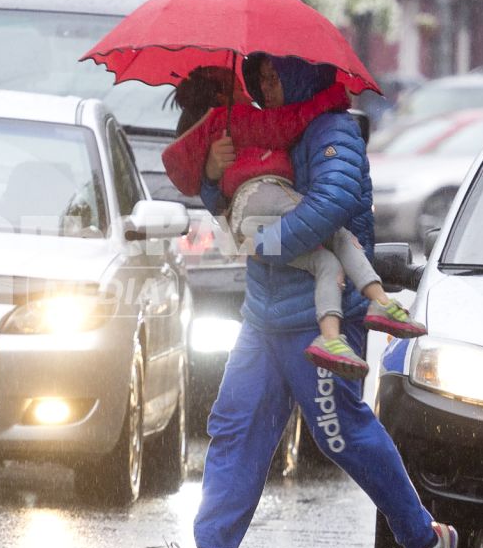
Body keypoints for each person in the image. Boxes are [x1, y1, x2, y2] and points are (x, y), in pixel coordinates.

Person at [141, 53, 457, 548]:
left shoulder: (333, 129)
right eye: (259, 76)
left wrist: (269, 244)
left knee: (342, 436)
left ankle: (426, 541)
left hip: (321, 316)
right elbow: (242, 201)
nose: (265, 85)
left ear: (304, 71)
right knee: (236, 426)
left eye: (275, 74)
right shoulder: (263, 124)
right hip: (264, 316)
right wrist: (215, 177)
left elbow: (333, 201)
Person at [161, 58, 426, 378]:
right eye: (252, 81)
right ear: (222, 96)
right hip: (270, 297)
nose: (257, 88)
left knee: (328, 263)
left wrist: (212, 176)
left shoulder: (324, 128)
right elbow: (288, 133)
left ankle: (330, 338)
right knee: (340, 237)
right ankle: (380, 301)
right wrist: (331, 98)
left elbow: (328, 196)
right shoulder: (238, 120)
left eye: (272, 78)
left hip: (277, 301)